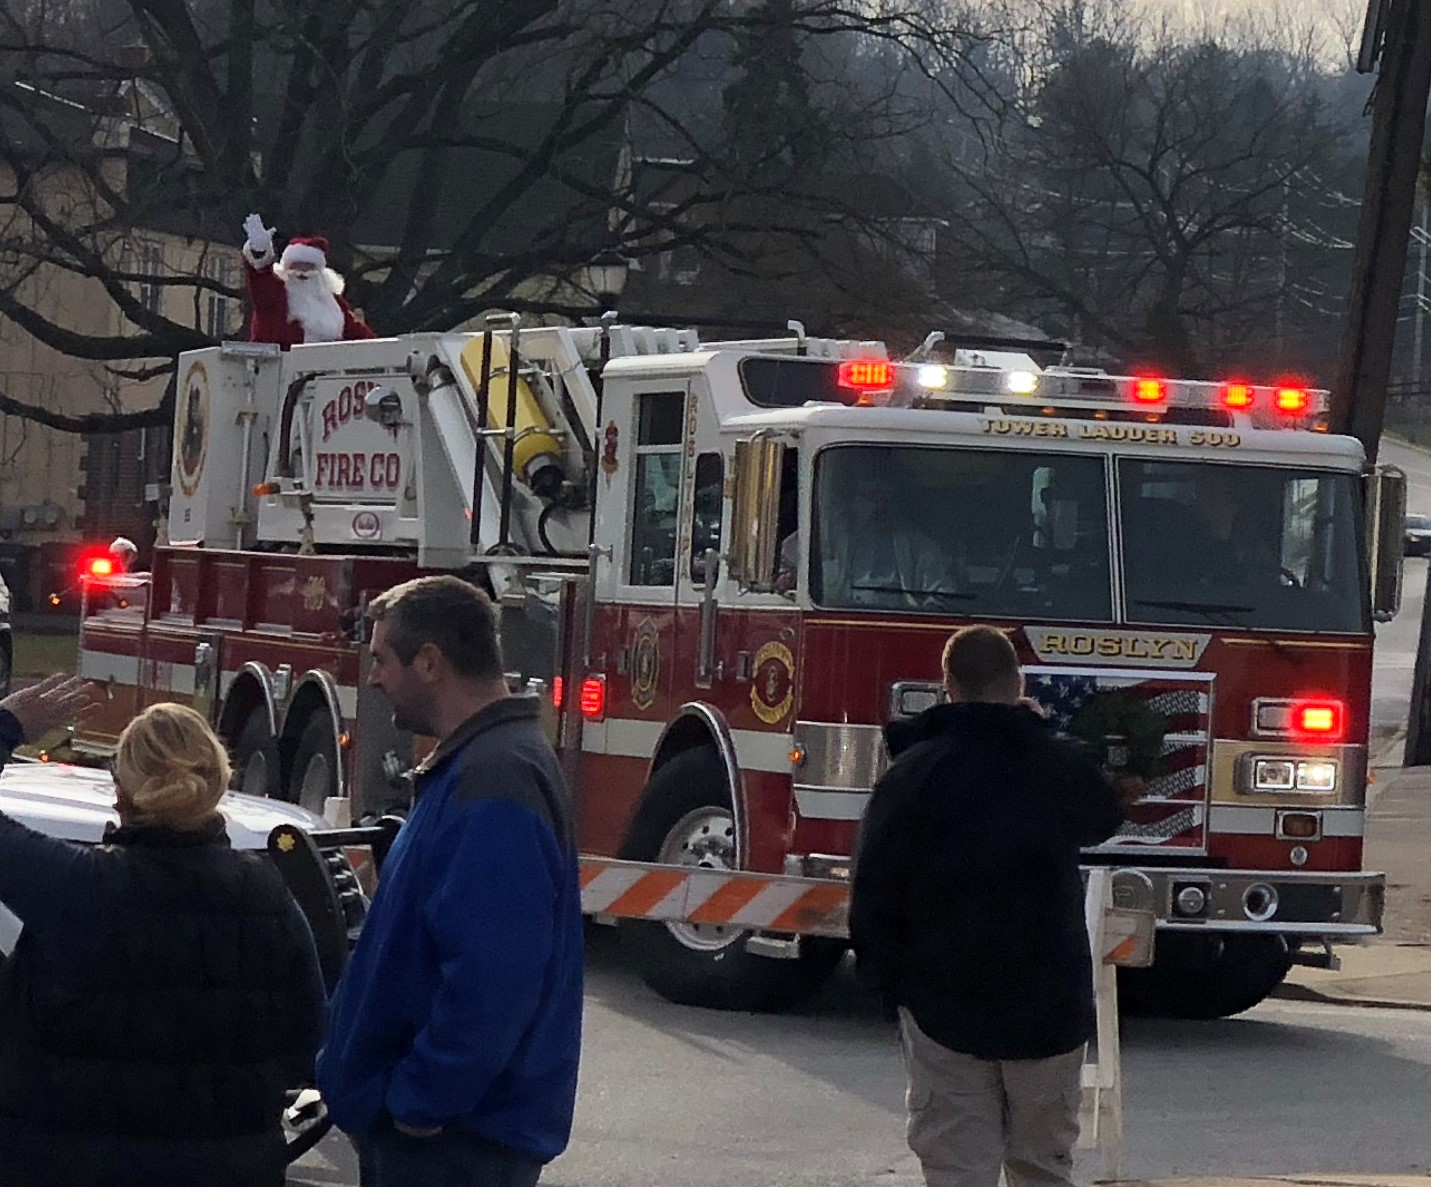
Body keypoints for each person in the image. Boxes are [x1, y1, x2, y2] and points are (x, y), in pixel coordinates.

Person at [0, 682, 326, 1187]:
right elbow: (307, 1039)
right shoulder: (266, 896)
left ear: (121, 792)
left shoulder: (76, 887)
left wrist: (9, 726)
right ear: (218, 779)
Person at [850, 626, 1142, 1187]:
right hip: (1047, 1008)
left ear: (947, 685)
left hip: (942, 1004)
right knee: (1042, 1167)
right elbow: (1102, 814)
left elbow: (872, 890)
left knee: (957, 1167)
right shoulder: (1051, 766)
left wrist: (890, 987)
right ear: (1019, 683)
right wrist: (1037, 732)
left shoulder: (911, 774)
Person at [317, 575, 583, 1187]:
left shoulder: (496, 777)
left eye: (383, 659)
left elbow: (494, 976)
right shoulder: (481, 764)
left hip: (454, 1150)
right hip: (449, 1142)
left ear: (430, 662)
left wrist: (419, 1103)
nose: (375, 676)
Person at [242, 212, 377, 348]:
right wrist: (259, 252)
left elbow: (360, 335)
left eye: (308, 268)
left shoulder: (332, 302)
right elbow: (260, 279)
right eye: (296, 266)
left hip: (325, 365)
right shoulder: (276, 293)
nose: (302, 273)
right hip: (279, 365)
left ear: (319, 272)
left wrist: (382, 350)